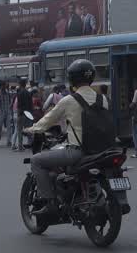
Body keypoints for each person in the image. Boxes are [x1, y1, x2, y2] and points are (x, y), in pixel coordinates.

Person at [25, 59, 112, 220]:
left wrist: (30, 129)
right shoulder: (104, 99)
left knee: (36, 161)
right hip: (103, 151)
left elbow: (46, 121)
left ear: (72, 79)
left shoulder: (69, 100)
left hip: (78, 152)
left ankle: (50, 203)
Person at [14, 78, 33, 152]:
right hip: (28, 113)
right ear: (25, 85)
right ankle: (31, 145)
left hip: (21, 114)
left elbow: (19, 105)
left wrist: (18, 114)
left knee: (19, 131)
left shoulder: (19, 93)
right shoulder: (28, 93)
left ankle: (20, 147)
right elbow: (31, 104)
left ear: (20, 84)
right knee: (28, 130)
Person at [0, 81, 13, 147]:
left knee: (9, 127)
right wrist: (0, 95)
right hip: (0, 112)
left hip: (7, 112)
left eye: (5, 86)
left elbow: (11, 101)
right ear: (1, 86)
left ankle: (9, 141)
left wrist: (9, 107)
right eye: (4, 86)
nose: (5, 87)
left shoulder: (8, 93)